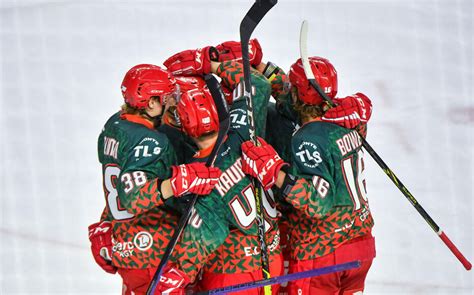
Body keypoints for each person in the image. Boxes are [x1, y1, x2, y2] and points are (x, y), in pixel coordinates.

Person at [154, 44, 284, 294]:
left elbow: (209, 232)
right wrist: (212, 65)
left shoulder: (199, 174)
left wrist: (179, 272)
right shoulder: (244, 130)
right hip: (271, 260)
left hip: (230, 275)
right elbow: (257, 85)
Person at [240, 56, 375, 295]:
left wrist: (275, 171)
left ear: (297, 95)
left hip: (324, 254)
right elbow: (296, 98)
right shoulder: (349, 122)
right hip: (360, 246)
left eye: (292, 88)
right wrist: (262, 67)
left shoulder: (306, 139)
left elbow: (318, 204)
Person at [88, 64, 222, 295]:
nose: (172, 103)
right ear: (150, 103)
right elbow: (134, 197)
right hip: (153, 252)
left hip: (126, 246)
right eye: (167, 98)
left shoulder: (114, 125)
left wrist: (106, 221)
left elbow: (119, 180)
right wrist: (181, 181)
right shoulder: (151, 141)